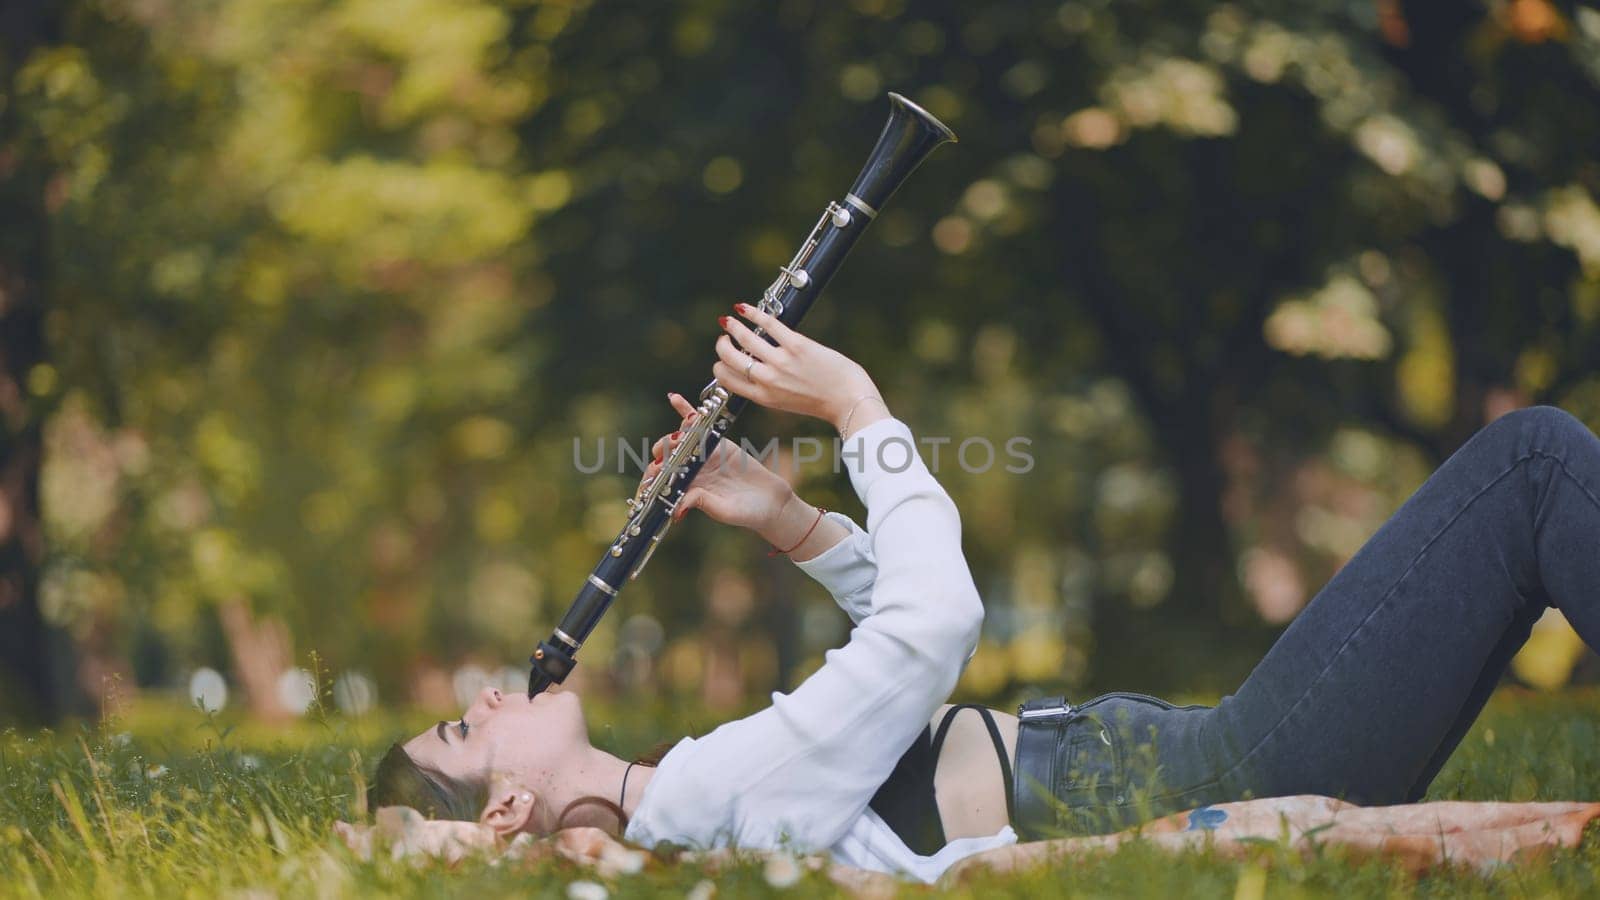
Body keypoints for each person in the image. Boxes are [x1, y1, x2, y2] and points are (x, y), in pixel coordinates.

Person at [368, 301, 1600, 885]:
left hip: (1213, 758)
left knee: (1531, 471)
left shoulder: (702, 791)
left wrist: (794, 524)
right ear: (507, 810)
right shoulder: (703, 796)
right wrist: (860, 410)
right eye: (467, 727)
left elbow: (893, 674)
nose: (486, 691)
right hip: (1231, 775)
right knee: (1533, 460)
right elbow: (936, 623)